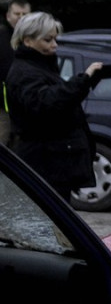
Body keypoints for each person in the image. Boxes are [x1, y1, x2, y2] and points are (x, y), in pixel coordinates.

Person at [6, 11, 105, 201]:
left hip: (53, 161)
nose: (54, 45)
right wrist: (82, 81)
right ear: (28, 41)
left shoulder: (39, 66)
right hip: (46, 163)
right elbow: (46, 104)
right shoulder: (26, 71)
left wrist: (85, 82)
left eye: (54, 39)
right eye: (47, 40)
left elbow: (57, 100)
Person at [0, 0, 31, 146]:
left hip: (26, 107)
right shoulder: (1, 38)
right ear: (8, 16)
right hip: (3, 109)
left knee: (22, 152)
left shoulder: (35, 40)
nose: (20, 18)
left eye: (24, 14)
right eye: (17, 14)